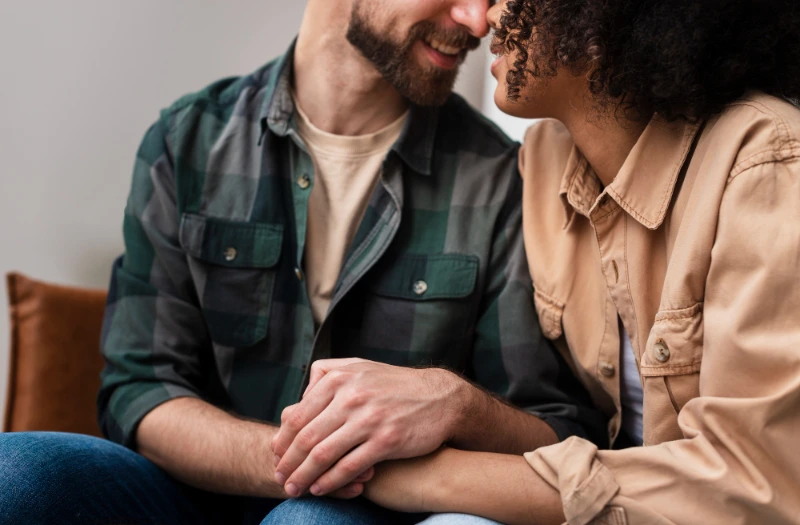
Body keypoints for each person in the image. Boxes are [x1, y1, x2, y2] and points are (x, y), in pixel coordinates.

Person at [0, 1, 606, 524]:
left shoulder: (505, 180)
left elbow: (556, 429)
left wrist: (455, 402)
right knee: (16, 470)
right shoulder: (187, 140)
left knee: (312, 520)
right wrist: (308, 461)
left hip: (369, 514)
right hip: (188, 499)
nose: (478, 21)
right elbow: (141, 390)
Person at [357, 0, 800, 523]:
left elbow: (755, 482)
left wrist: (422, 479)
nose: (484, 17)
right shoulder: (541, 162)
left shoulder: (763, 163)